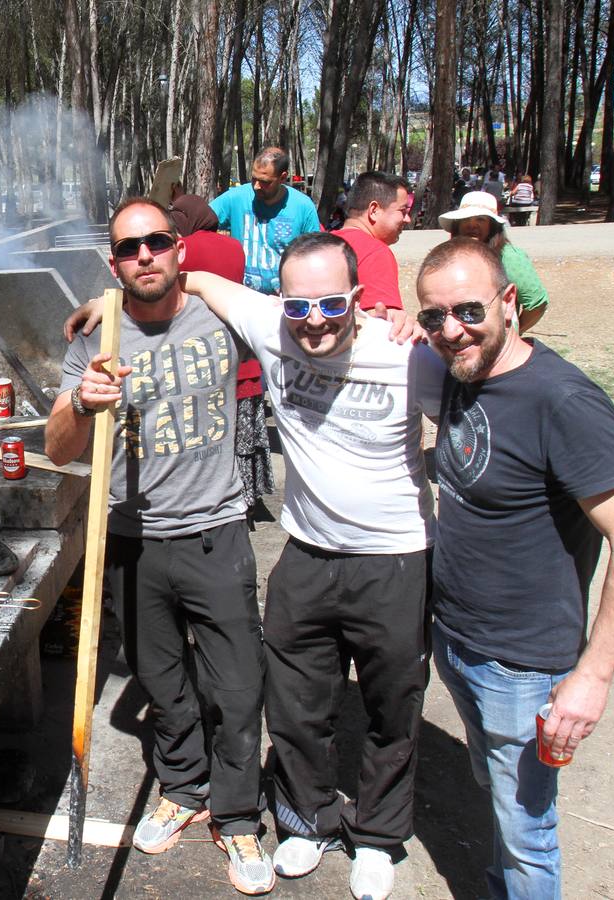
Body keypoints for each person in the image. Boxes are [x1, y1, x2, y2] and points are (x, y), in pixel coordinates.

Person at [181, 233, 442, 900]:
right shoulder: (274, 325)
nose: (315, 320)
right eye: (300, 306)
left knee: (391, 709)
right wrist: (106, 301)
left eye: (331, 303)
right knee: (296, 705)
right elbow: (200, 280)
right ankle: (307, 820)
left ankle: (379, 837)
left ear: (359, 297)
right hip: (306, 554)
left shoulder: (408, 354)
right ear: (282, 303)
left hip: (395, 558)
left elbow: (492, 393)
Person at [416, 239, 614, 899]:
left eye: (468, 310)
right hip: (459, 639)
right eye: (432, 316)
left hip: (522, 664)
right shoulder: (458, 367)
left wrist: (593, 678)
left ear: (508, 303)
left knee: (528, 832)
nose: (450, 329)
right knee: (497, 794)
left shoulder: (563, 399)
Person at [45, 197, 275, 895]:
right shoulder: (96, 334)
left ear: (181, 248)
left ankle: (237, 817)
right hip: (131, 542)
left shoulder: (220, 311)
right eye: (127, 248)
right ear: (113, 261)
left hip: (216, 532)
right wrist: (82, 403)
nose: (143, 254)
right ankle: (184, 785)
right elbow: (57, 449)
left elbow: (299, 315)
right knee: (165, 683)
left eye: (157, 242)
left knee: (237, 687)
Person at [166, 192, 274, 517]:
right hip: (241, 344)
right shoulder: (234, 246)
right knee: (245, 426)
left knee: (213, 431)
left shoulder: (186, 249)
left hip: (204, 350)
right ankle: (248, 498)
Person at [208, 147, 321, 294]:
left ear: (282, 178)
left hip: (284, 302)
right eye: (254, 179)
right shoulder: (235, 198)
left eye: (264, 182)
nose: (256, 186)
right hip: (241, 298)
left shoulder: (303, 207)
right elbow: (200, 220)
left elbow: (314, 256)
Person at [439, 191, 549, 332]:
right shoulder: (451, 256)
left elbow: (536, 303)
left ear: (492, 226)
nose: (472, 226)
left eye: (480, 219)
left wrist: (514, 332)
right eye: (466, 219)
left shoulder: (508, 257)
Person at [331, 172, 412, 316]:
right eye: (403, 211)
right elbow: (383, 323)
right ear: (374, 210)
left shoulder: (323, 245)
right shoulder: (375, 253)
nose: (408, 219)